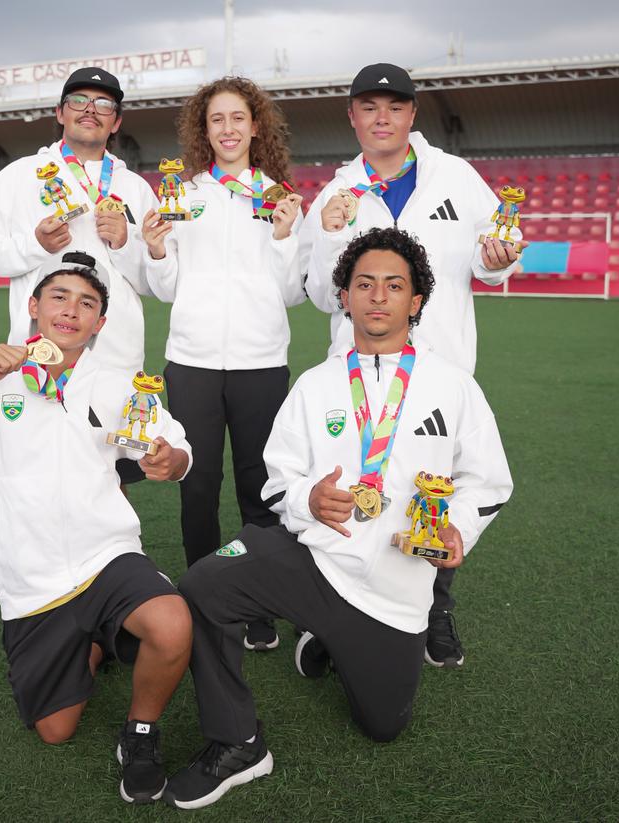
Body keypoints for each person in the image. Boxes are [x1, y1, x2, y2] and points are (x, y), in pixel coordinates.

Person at [163, 228, 513, 809]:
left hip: (395, 592)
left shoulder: (453, 387)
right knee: (203, 582)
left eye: (394, 286)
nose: (378, 297)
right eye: (364, 284)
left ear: (416, 302)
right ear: (345, 297)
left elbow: (490, 481)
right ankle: (238, 741)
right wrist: (308, 499)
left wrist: (459, 528)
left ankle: (330, 643)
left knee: (383, 727)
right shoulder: (315, 384)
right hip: (315, 563)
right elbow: (276, 479)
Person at [0, 255, 193, 805]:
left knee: (172, 623)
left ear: (99, 324)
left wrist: (174, 461)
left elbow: (176, 445)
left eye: (87, 303)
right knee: (56, 730)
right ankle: (100, 639)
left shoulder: (118, 386)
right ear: (33, 307)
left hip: (108, 554)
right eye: (59, 297)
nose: (71, 310)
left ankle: (139, 733)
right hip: (33, 575)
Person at [298, 62, 523, 667]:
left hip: (440, 372)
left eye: (393, 107)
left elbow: (490, 260)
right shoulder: (335, 193)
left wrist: (500, 258)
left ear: (411, 115)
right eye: (369, 108)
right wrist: (324, 235)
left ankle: (434, 612)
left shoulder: (456, 176)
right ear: (352, 117)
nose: (381, 118)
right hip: (357, 374)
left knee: (434, 492)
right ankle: (336, 611)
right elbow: (322, 295)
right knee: (355, 487)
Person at [141, 77, 305, 652]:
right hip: (191, 362)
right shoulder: (183, 196)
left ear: (256, 125)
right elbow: (166, 289)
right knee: (197, 486)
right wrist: (158, 249)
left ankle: (255, 601)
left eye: (238, 118)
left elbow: (292, 292)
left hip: (262, 364)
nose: (229, 129)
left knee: (260, 488)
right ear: (202, 130)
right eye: (217, 120)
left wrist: (285, 237)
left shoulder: (280, 199)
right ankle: (203, 601)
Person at [0, 67, 156, 373]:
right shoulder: (19, 174)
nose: (91, 110)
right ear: (60, 113)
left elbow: (154, 283)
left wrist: (125, 244)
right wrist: (35, 246)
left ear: (115, 122)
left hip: (117, 358)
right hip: (40, 352)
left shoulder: (136, 187)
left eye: (103, 105)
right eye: (79, 100)